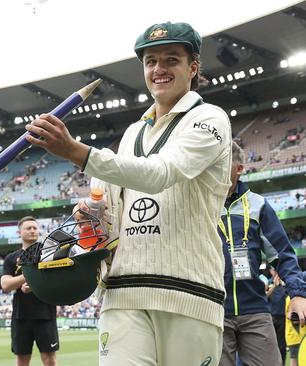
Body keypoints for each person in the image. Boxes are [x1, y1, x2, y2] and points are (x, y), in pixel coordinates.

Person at [25, 22, 232, 365]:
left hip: (189, 292)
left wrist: (76, 151)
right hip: (123, 293)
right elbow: (109, 205)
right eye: (151, 61)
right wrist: (92, 216)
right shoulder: (132, 132)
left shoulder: (209, 118)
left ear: (193, 67)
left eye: (171, 60)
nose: (159, 69)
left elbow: (162, 173)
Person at [218, 141, 306, 366]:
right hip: (213, 311)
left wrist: (297, 294)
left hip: (255, 311)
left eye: (222, 161)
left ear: (239, 168)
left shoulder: (259, 205)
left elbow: (283, 255)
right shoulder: (200, 204)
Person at [1, 216, 58, 366]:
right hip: (21, 316)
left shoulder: (49, 254)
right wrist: (28, 276)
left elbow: (57, 281)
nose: (32, 231)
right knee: (22, 361)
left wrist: (35, 285)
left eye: (35, 228)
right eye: (28, 228)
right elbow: (6, 285)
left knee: (50, 360)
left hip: (45, 314)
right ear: (19, 232)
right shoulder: (11, 258)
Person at [268, 268, 288, 365]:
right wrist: (274, 286)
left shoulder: (285, 283)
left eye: (276, 269)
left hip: (283, 318)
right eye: (273, 270)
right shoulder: (267, 283)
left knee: (282, 345)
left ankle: (282, 363)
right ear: (270, 271)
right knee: (270, 344)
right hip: (271, 318)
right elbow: (265, 296)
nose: (275, 271)